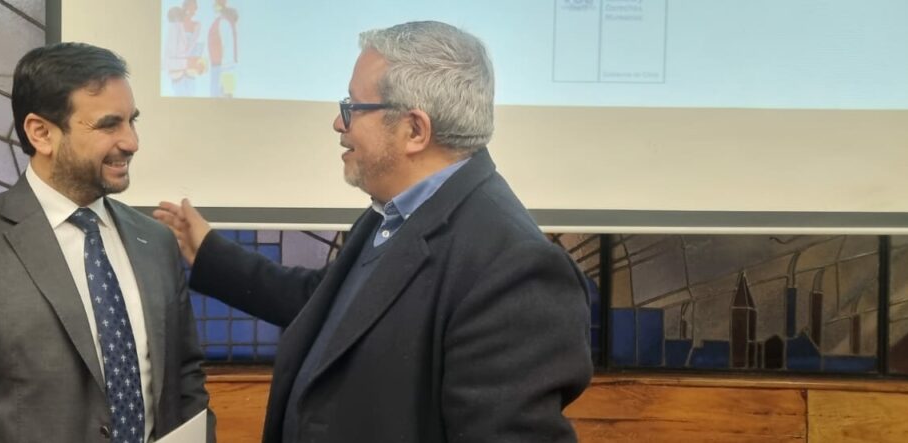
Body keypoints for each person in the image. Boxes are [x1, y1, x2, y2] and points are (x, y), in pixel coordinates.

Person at [155, 21, 592, 442]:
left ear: (414, 130)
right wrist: (210, 252)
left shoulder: (514, 268)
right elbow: (326, 307)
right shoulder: (394, 214)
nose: (338, 123)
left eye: (353, 107)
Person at [0, 42, 212, 443]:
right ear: (41, 133)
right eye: (109, 125)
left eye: (132, 121)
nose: (131, 142)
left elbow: (184, 379)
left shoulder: (156, 241)